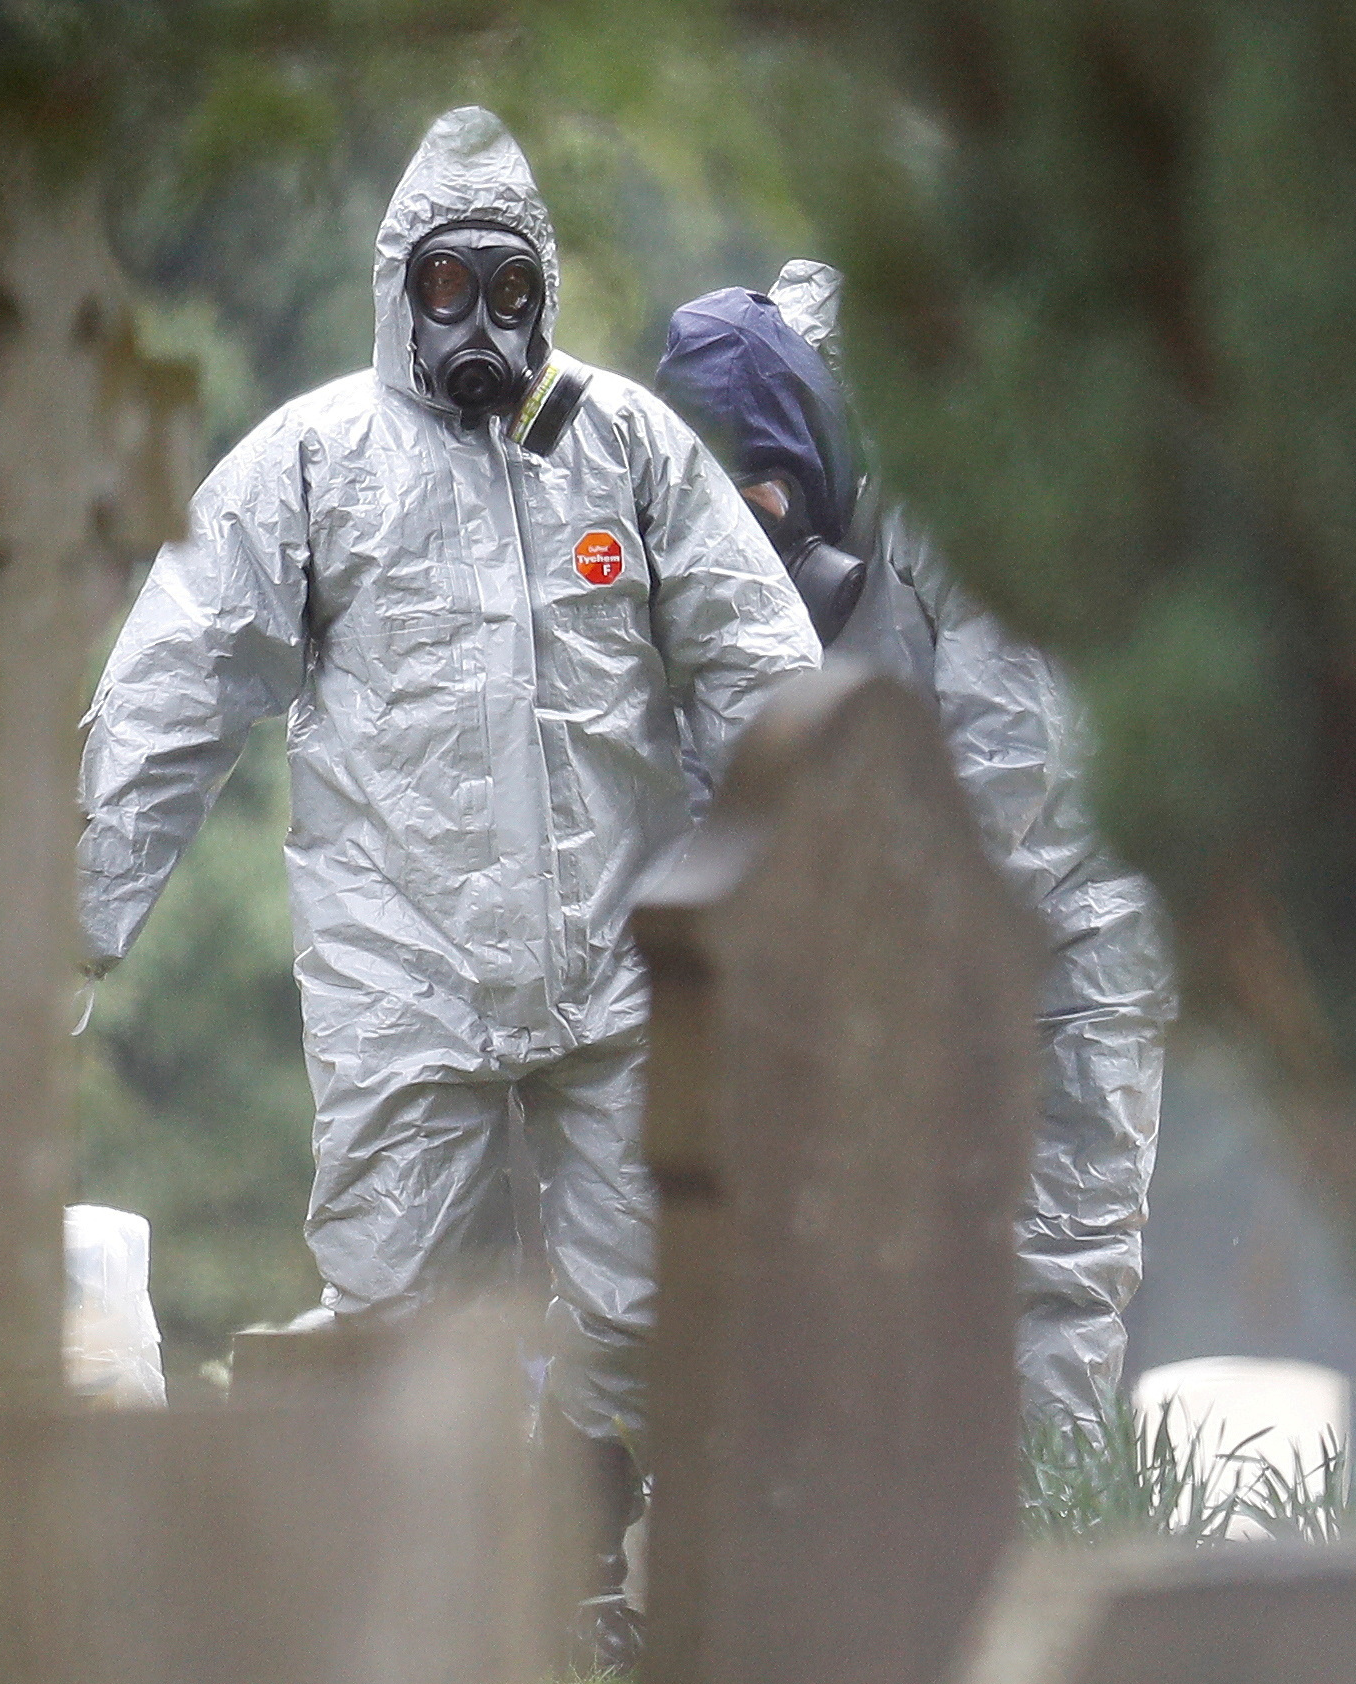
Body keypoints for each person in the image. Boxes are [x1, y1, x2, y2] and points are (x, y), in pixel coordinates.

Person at [78, 108, 816, 1561]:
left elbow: (759, 667)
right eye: (443, 287)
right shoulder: (313, 465)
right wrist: (63, 928)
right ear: (396, 286)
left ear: (541, 292)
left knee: (646, 1297)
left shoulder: (624, 452)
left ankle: (600, 1544)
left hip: (615, 969)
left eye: (507, 290)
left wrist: (801, 883)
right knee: (401, 1313)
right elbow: (172, 691)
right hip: (402, 983)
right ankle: (418, 1610)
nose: (476, 322)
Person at [658, 260, 1176, 1432]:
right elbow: (714, 761)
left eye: (771, 508)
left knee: (1046, 1283)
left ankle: (1040, 1567)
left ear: (817, 448)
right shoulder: (707, 537)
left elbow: (1017, 772)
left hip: (1064, 941)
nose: (761, 544)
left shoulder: (965, 477)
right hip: (888, 955)